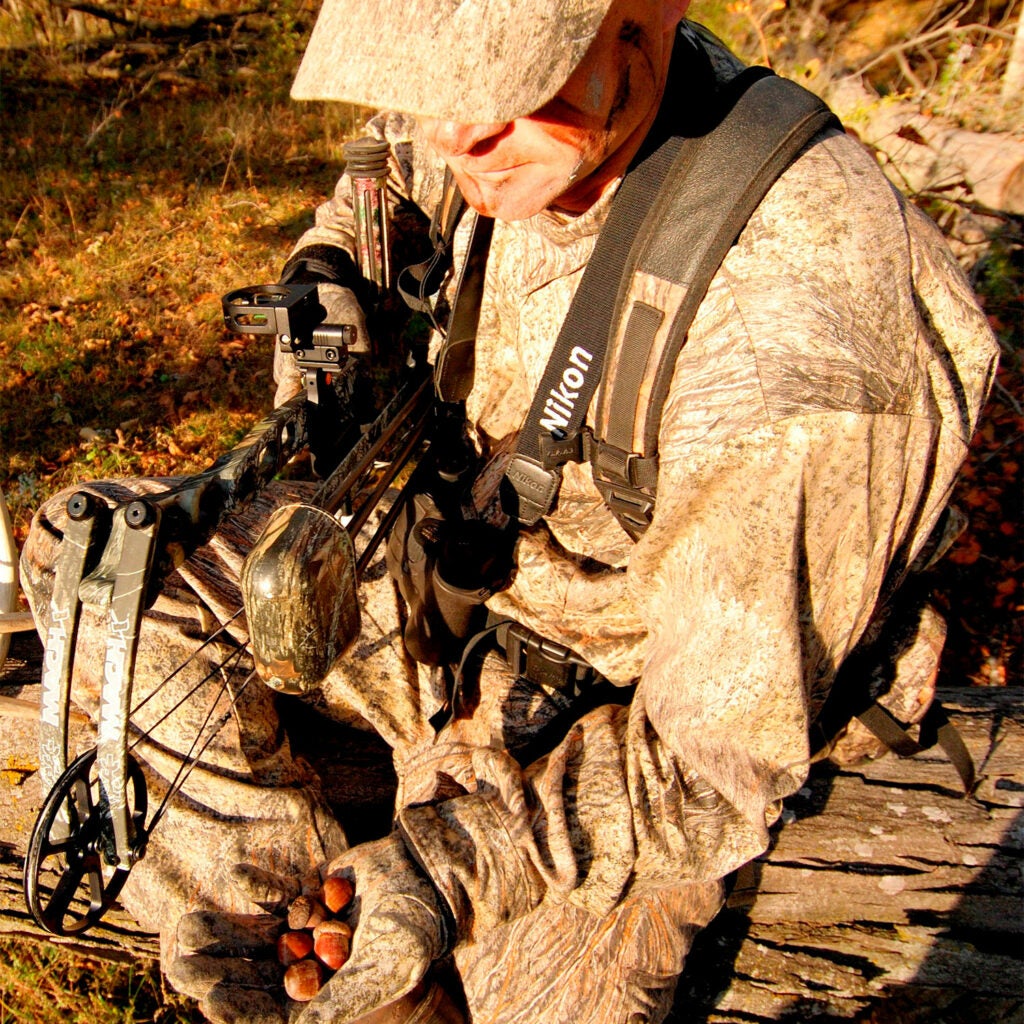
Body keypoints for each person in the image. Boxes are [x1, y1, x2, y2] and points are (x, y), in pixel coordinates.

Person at [20, 1, 998, 1022]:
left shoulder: (794, 336)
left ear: (648, 16)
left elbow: (712, 759)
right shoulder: (492, 121)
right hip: (452, 601)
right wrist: (329, 269)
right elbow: (390, 172)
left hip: (617, 725)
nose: (455, 133)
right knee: (103, 559)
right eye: (440, 85)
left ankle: (398, 950)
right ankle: (293, 942)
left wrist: (450, 869)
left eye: (509, 85)